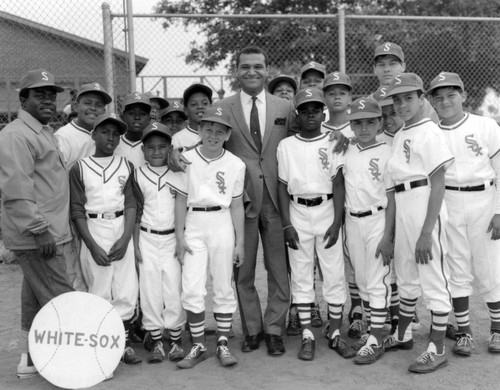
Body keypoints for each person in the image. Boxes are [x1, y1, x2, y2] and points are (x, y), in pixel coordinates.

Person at [211, 45, 296, 356]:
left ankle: (275, 328)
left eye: (257, 66)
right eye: (244, 66)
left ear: (267, 69)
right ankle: (252, 329)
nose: (251, 71)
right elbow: (209, 142)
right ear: (236, 70)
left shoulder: (285, 107)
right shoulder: (223, 107)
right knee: (242, 270)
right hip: (241, 202)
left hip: (276, 199)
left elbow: (303, 142)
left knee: (278, 269)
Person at [0, 69, 75, 378]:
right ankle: (71, 363)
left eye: (51, 95)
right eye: (39, 94)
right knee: (61, 298)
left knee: (33, 295)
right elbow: (16, 188)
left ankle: (31, 358)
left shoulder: (42, 131)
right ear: (23, 99)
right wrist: (39, 229)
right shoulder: (16, 135)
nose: (48, 100)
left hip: (46, 231)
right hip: (41, 234)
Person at [383, 73, 453, 373]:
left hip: (425, 204)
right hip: (404, 205)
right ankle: (403, 334)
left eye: (408, 98)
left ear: (421, 99)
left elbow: (439, 184)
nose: (402, 105)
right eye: (397, 99)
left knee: (433, 276)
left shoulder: (430, 130)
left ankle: (437, 347)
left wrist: (427, 232)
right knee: (407, 274)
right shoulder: (400, 134)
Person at [277, 88, 353, 361]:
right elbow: (282, 186)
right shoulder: (286, 145)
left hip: (326, 210)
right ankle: (308, 333)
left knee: (333, 272)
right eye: (305, 110)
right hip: (298, 211)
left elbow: (338, 181)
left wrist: (337, 221)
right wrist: (286, 224)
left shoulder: (334, 141)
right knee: (300, 273)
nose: (311, 114)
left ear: (324, 113)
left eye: (316, 109)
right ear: (297, 114)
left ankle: (334, 333)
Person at [167, 107, 245, 369]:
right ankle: (199, 344)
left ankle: (222, 342)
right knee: (192, 286)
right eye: (208, 129)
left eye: (220, 131)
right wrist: (179, 236)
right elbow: (179, 199)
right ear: (199, 130)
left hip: (221, 221)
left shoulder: (236, 164)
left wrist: (240, 242)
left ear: (227, 135)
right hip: (194, 221)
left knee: (223, 284)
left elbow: (236, 206)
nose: (213, 135)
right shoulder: (186, 158)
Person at [428, 72, 500, 356]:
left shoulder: (486, 125)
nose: (445, 101)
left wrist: (499, 211)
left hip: (484, 199)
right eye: (439, 96)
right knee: (456, 267)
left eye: (451, 94)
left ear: (464, 95)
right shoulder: (431, 131)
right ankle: (464, 332)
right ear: (432, 101)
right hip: (448, 201)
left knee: (489, 267)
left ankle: (497, 328)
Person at [69, 113, 141, 365]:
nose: (110, 137)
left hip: (121, 225)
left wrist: (125, 238)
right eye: (104, 132)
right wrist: (91, 244)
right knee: (99, 285)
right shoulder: (79, 166)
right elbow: (76, 209)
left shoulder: (126, 165)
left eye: (115, 133)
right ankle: (104, 344)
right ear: (93, 134)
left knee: (125, 285)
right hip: (94, 226)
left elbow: (131, 203)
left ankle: (124, 341)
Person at [333, 97, 394, 364]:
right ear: (351, 124)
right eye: (358, 123)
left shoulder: (387, 151)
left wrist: (389, 235)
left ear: (380, 122)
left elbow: (392, 198)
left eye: (371, 121)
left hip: (378, 219)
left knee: (377, 279)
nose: (365, 127)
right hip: (353, 221)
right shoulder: (346, 149)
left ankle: (377, 338)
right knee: (362, 279)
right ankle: (373, 330)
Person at [133, 121, 187, 364]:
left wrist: (180, 240)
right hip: (146, 236)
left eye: (162, 147)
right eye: (151, 147)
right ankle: (156, 340)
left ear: (170, 148)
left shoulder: (179, 172)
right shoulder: (137, 174)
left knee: (173, 287)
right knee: (150, 288)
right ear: (143, 149)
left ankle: (175, 339)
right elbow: (134, 211)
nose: (156, 151)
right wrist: (134, 244)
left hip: (171, 237)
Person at [55, 82, 113, 293]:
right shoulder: (65, 136)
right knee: (76, 274)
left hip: (100, 215)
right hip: (73, 215)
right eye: (87, 103)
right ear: (76, 105)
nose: (93, 108)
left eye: (99, 105)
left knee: (101, 273)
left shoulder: (108, 133)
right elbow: (57, 181)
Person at [371, 42, 438, 124]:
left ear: (403, 66)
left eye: (392, 64)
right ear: (374, 69)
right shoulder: (370, 102)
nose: (386, 69)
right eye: (381, 65)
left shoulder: (418, 101)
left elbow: (434, 128)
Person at [116, 92, 152, 167]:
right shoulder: (114, 143)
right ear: (122, 117)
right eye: (131, 113)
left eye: (142, 113)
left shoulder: (155, 146)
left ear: (149, 118)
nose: (137, 117)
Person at [172, 83, 213, 149]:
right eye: (194, 104)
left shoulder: (220, 135)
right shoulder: (177, 139)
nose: (200, 107)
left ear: (211, 106)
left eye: (205, 103)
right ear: (185, 110)